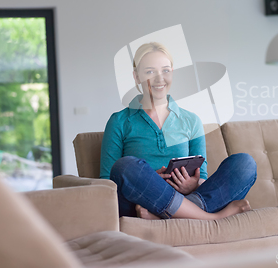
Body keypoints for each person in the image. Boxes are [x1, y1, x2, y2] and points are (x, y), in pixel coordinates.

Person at [100, 42, 257, 220]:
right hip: (139, 201)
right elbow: (108, 183)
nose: (160, 78)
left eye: (165, 70)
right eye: (150, 72)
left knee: (245, 163)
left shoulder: (191, 121)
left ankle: (162, 216)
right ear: (136, 77)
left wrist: (193, 185)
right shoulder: (119, 121)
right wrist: (150, 182)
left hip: (185, 197)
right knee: (125, 167)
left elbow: (202, 178)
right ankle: (210, 218)